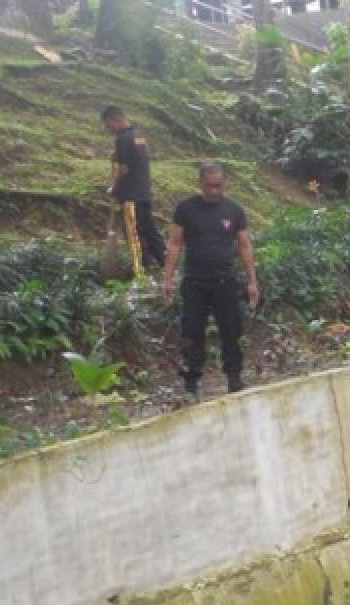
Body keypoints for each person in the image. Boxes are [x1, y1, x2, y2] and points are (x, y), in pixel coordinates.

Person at [163, 163, 260, 398]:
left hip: (224, 280)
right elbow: (175, 244)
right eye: (209, 186)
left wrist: (252, 282)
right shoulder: (185, 209)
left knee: (231, 329)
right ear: (201, 183)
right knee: (192, 331)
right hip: (194, 281)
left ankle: (234, 377)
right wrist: (167, 279)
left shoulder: (234, 210)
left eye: (218, 186)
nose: (214, 191)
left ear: (224, 183)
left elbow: (245, 246)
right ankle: (191, 380)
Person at [101, 105, 165, 273]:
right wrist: (118, 156)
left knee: (134, 234)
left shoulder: (122, 139)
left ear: (114, 120)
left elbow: (124, 169)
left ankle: (141, 272)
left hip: (130, 195)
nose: (109, 130)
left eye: (108, 126)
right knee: (150, 231)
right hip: (144, 193)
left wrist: (113, 187)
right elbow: (135, 158)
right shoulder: (139, 135)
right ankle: (166, 265)